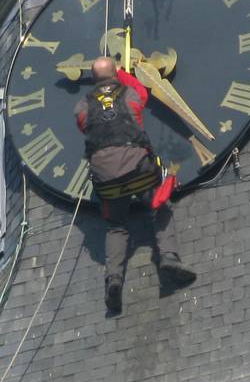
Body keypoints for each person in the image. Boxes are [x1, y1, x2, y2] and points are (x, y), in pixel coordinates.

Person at [75, 56, 196, 312]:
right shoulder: (130, 93)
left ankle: (114, 280)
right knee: (160, 206)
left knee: (116, 226)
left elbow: (85, 127)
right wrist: (124, 73)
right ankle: (168, 257)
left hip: (107, 180)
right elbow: (143, 94)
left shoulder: (82, 106)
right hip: (138, 169)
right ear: (114, 73)